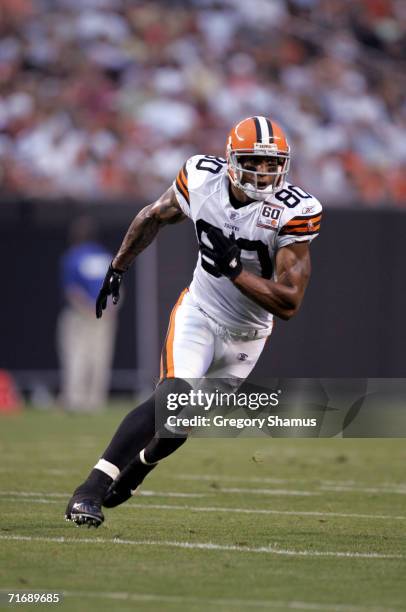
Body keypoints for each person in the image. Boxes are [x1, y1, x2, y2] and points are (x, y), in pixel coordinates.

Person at [65, 115, 322, 527]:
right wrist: (119, 265)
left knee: (180, 425)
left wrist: (236, 271)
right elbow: (153, 215)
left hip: (249, 335)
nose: (264, 171)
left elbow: (289, 304)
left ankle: (139, 468)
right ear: (232, 159)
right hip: (201, 312)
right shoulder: (200, 179)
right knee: (173, 396)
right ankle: (89, 490)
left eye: (273, 163)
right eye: (254, 161)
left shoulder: (294, 211)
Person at [57, 216, 118, 412]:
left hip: (81, 315)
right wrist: (109, 309)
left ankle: (75, 400)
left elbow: (72, 290)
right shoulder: (106, 256)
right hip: (105, 314)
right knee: (100, 357)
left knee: (76, 355)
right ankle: (96, 400)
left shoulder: (73, 256)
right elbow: (116, 287)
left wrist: (87, 309)